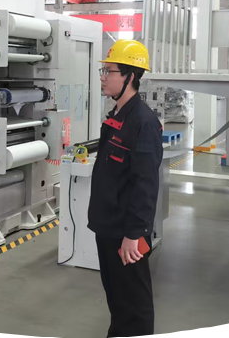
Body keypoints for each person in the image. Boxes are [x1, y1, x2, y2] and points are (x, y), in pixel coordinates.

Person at [88, 40, 163, 338]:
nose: (103, 77)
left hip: (126, 233)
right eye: (104, 70)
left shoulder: (143, 122)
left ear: (130, 76)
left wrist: (134, 234)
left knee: (134, 303)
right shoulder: (116, 116)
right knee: (117, 298)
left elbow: (145, 184)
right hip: (108, 226)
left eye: (110, 71)